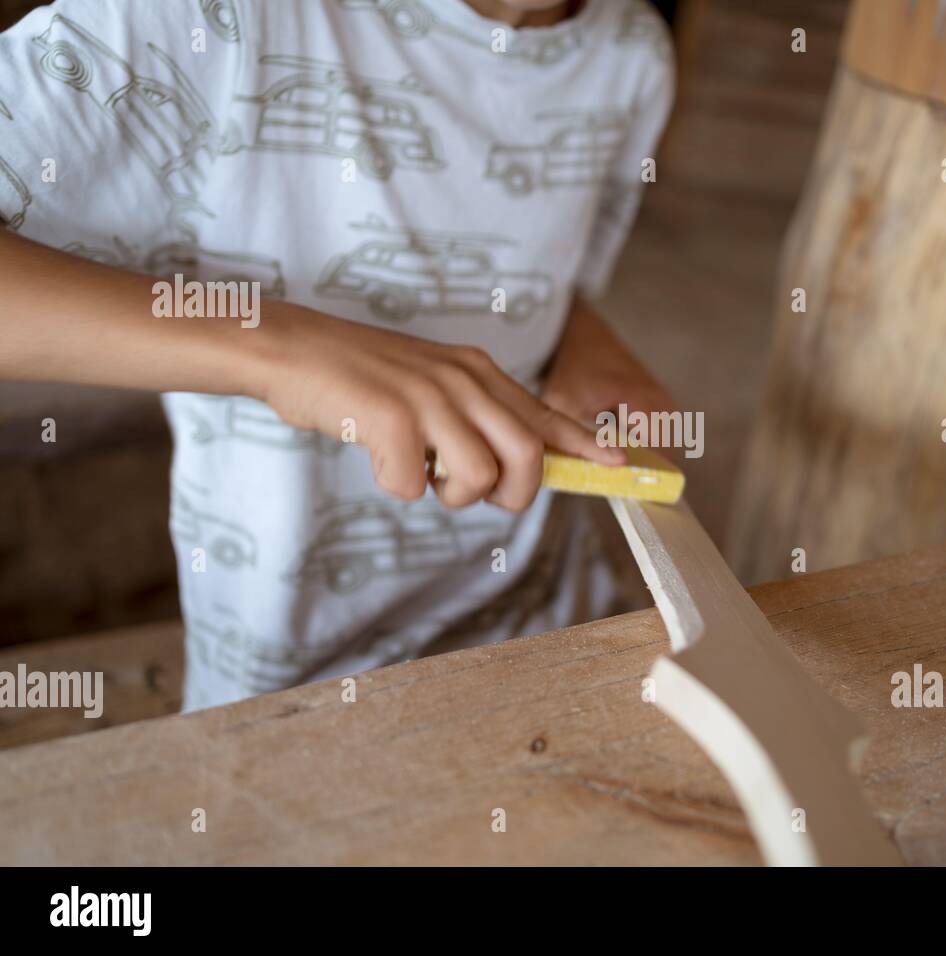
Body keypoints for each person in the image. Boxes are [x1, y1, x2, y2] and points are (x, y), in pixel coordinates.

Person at [0, 0, 675, 708]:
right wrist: (280, 349)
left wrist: (582, 339)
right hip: (293, 681)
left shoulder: (633, 51)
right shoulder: (214, 18)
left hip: (549, 617)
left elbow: (542, 268)